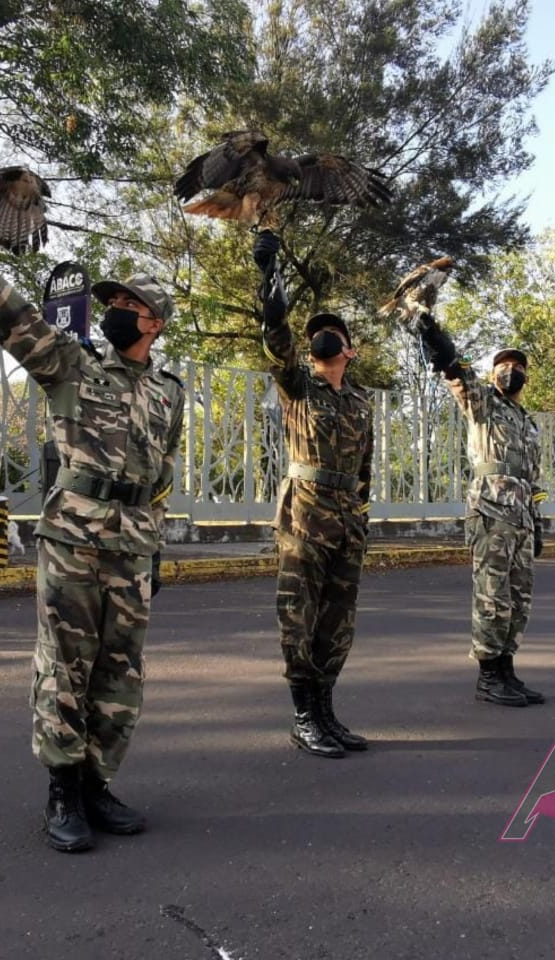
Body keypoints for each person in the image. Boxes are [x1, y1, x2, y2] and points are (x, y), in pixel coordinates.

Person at [0, 194, 184, 853]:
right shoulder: (71, 364)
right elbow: (7, 313)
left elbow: (163, 471)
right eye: (110, 303)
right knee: (65, 666)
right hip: (75, 540)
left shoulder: (169, 390)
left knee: (121, 671)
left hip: (133, 543)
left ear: (154, 323)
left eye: (127, 306)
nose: (113, 312)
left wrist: (157, 546)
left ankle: (96, 783)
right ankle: (61, 789)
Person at [252, 230, 375, 757]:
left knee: (338, 621)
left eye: (333, 333)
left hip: (347, 518)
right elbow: (275, 334)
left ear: (350, 348)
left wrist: (363, 513)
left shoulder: (361, 401)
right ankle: (303, 715)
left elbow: (365, 465)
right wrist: (269, 274)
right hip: (306, 515)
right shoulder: (298, 386)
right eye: (317, 334)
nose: (323, 338)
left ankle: (326, 710)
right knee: (299, 616)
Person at [404, 302, 545, 707]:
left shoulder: (527, 421)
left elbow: (534, 477)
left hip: (521, 517)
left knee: (520, 597)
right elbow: (453, 365)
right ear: (492, 373)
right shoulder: (482, 402)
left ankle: (507, 669)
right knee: (491, 594)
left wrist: (538, 520)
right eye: (502, 364)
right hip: (491, 511)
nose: (509, 369)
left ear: (525, 375)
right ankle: (487, 676)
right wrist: (431, 327)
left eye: (516, 364)